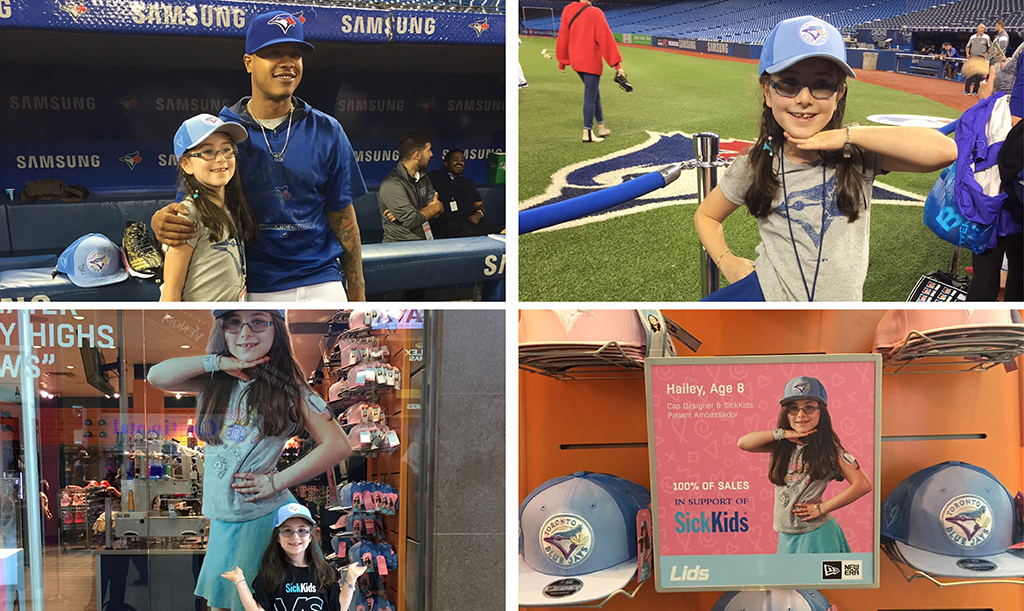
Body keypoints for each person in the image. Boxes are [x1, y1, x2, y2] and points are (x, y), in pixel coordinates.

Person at [694, 15, 957, 301]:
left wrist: (844, 136)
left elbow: (943, 151)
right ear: (768, 93)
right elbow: (707, 215)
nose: (804, 98)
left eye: (821, 84)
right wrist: (727, 261)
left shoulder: (856, 152)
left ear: (839, 93)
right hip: (769, 300)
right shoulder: (755, 164)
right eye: (788, 83)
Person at [152, 11, 367, 302]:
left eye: (295, 54)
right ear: (249, 62)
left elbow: (342, 214)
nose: (287, 63)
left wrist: (357, 290)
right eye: (273, 53)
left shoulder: (328, 129)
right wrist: (161, 219)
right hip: (255, 283)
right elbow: (197, 198)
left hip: (322, 279)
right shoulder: (223, 132)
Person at [147, 310, 352, 611]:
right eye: (234, 323)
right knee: (222, 604)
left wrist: (277, 481)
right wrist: (218, 362)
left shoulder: (289, 388)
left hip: (263, 518)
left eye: (258, 321)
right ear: (223, 329)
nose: (245, 333)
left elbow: (338, 444)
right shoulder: (215, 382)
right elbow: (156, 376)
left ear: (276, 329)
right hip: (223, 519)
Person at [737, 376, 872, 554]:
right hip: (787, 534)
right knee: (789, 581)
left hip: (816, 535)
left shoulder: (830, 451)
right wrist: (783, 434)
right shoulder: (783, 445)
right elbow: (744, 443)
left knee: (819, 582)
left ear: (821, 411)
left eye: (809, 407)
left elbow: (863, 484)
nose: (801, 415)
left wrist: (822, 508)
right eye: (793, 408)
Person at [161, 115, 260, 302]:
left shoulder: (229, 207)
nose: (221, 158)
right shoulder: (187, 214)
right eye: (207, 151)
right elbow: (171, 291)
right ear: (186, 164)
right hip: (194, 325)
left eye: (226, 149)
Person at [221, 503, 366, 611]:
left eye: (302, 530)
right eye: (287, 531)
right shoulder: (270, 574)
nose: (295, 537)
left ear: (310, 537)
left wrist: (351, 577)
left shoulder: (324, 572)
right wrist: (239, 581)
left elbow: (338, 608)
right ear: (277, 538)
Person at [556, 0, 625, 143]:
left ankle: (602, 126)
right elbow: (606, 40)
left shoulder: (568, 10)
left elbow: (563, 36)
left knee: (594, 93)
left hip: (576, 61)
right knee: (590, 97)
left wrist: (562, 60)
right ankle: (587, 132)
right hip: (590, 61)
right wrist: (617, 66)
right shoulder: (595, 13)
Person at [378, 132, 444, 242]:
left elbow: (439, 211)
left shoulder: (424, 178)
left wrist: (416, 212)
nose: (431, 154)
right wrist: (434, 207)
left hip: (424, 240)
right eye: (428, 150)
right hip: (400, 246)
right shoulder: (392, 184)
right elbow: (412, 220)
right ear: (417, 155)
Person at [426, 149, 503, 238]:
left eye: (462, 160)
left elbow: (480, 205)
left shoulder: (468, 183)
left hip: (469, 221)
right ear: (446, 164)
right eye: (455, 160)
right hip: (447, 223)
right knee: (464, 231)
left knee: (496, 228)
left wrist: (478, 214)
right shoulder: (434, 177)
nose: (459, 163)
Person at [965, 23, 991, 95]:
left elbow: (990, 47)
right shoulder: (972, 37)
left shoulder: (986, 37)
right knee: (969, 74)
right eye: (981, 28)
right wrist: (967, 54)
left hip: (981, 58)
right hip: (972, 57)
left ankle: (975, 91)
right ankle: (967, 90)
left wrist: (986, 54)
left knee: (978, 76)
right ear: (978, 29)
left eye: (984, 29)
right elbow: (967, 46)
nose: (983, 30)